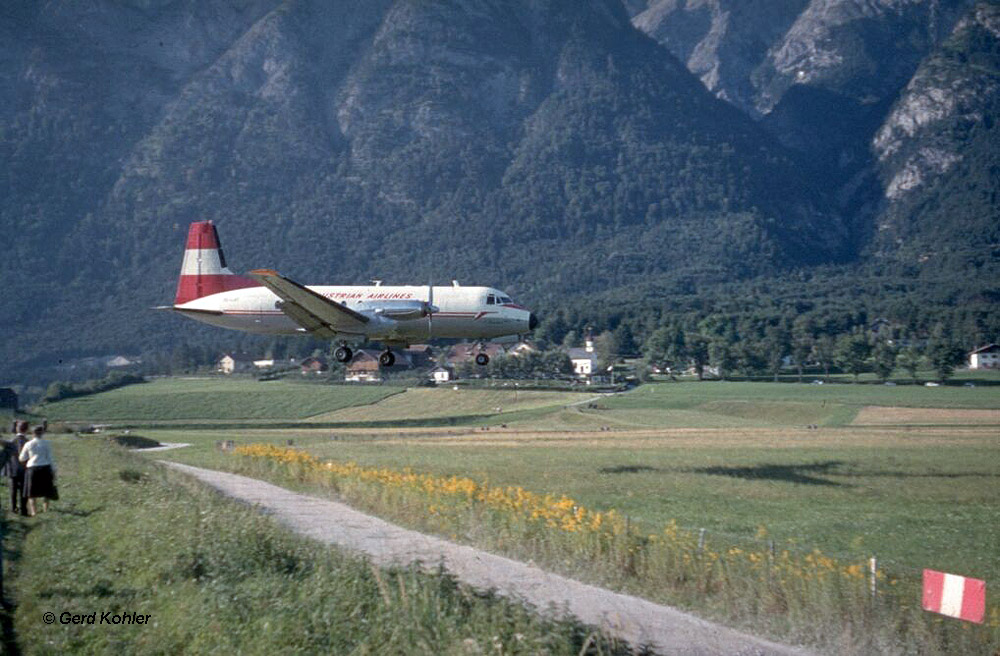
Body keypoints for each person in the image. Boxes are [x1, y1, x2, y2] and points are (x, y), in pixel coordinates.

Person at [19, 425, 57, 516]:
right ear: (42, 433)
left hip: (32, 468)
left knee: (31, 492)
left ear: (32, 433)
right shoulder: (47, 443)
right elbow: (50, 458)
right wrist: (54, 470)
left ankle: (34, 511)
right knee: (46, 491)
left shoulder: (28, 444)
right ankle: (45, 509)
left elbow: (21, 458)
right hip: (45, 467)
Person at [2, 420, 29, 515]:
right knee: (23, 490)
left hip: (12, 468)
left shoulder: (12, 441)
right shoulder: (28, 442)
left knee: (13, 489)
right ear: (27, 429)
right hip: (24, 469)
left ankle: (13, 508)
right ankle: (23, 509)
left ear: (17, 428)